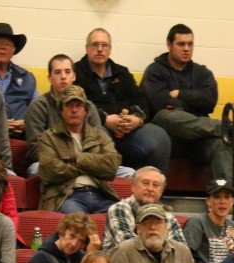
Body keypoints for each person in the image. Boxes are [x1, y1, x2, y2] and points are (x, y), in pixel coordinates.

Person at [74, 28, 172, 175]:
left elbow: (141, 100)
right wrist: (105, 119)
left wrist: (137, 119)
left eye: (104, 45)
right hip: (96, 128)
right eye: (95, 44)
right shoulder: (75, 72)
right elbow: (78, 106)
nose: (100, 49)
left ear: (110, 50)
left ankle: (152, 184)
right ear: (87, 48)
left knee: (159, 137)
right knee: (99, 135)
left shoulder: (122, 72)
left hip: (128, 130)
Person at [140, 24, 228, 185]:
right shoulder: (154, 71)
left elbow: (210, 101)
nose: (186, 49)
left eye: (190, 44)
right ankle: (226, 127)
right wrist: (195, 104)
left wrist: (180, 94)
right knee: (166, 115)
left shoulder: (202, 72)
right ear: (169, 45)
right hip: (169, 137)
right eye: (181, 44)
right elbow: (161, 104)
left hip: (198, 137)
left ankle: (225, 194)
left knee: (220, 143)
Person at [38, 86, 121, 214]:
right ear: (61, 110)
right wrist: (92, 166)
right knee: (78, 221)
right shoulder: (48, 137)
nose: (74, 110)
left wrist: (78, 158)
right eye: (69, 106)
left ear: (85, 111)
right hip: (66, 196)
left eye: (78, 105)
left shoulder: (99, 136)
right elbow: (51, 171)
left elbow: (112, 165)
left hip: (101, 194)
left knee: (120, 215)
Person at [24, 54, 111, 175]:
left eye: (67, 72)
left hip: (87, 163)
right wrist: (72, 160)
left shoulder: (88, 106)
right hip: (51, 163)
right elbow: (36, 149)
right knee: (36, 170)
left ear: (74, 76)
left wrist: (83, 161)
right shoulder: (38, 106)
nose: (63, 77)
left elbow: (99, 143)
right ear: (50, 78)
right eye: (57, 72)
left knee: (129, 173)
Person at [102, 167, 187, 252]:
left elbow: (181, 251)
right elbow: (129, 248)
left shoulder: (168, 216)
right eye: (145, 183)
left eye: (156, 185)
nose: (150, 189)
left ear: (161, 191)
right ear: (133, 186)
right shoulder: (119, 209)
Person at [0, 23, 38, 137]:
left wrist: (27, 123)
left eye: (7, 44)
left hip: (21, 138)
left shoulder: (26, 77)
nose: (2, 48)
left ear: (13, 50)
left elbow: (38, 109)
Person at [182, 179, 234, 263]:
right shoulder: (197, 222)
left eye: (227, 197)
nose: (222, 201)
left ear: (232, 201)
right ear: (208, 201)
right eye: (217, 197)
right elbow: (183, 258)